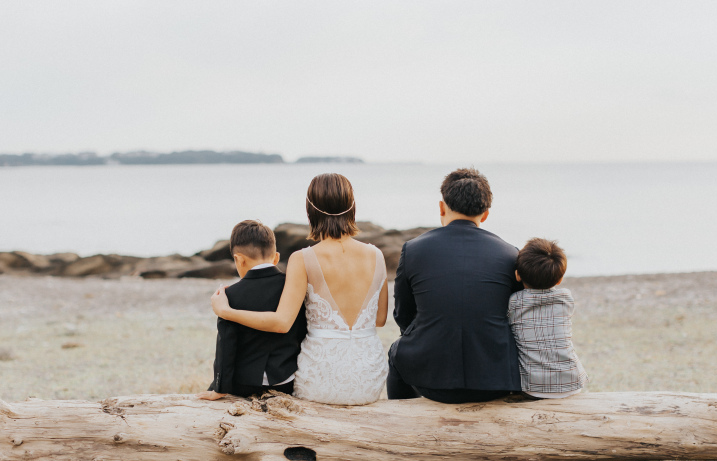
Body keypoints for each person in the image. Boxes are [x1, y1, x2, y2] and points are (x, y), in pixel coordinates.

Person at [210, 173, 389, 405]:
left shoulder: (303, 258)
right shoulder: (377, 255)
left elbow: (282, 322)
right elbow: (380, 319)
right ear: (352, 207)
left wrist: (226, 311)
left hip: (321, 379)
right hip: (369, 378)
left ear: (310, 211)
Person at [388, 168, 523, 403]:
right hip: (497, 380)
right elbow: (519, 316)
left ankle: (401, 420)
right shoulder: (510, 254)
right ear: (486, 214)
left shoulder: (414, 250)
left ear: (442, 207)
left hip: (431, 382)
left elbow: (403, 314)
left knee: (396, 352)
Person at [197, 220, 306, 401]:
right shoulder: (292, 288)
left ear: (239, 259)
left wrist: (219, 388)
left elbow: (226, 347)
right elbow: (301, 333)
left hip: (244, 384)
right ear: (276, 258)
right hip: (285, 381)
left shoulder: (229, 296)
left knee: (207, 391)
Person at [508, 238, 588, 399]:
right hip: (572, 382)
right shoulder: (566, 298)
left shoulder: (515, 301)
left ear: (517, 275)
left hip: (533, 386)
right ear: (559, 279)